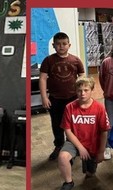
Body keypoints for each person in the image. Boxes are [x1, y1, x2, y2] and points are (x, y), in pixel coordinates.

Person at [55, 77, 110, 190]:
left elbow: (104, 131)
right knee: (63, 157)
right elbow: (67, 130)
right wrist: (80, 147)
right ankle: (68, 182)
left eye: (86, 90)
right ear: (76, 91)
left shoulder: (99, 108)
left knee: (90, 174)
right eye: (79, 90)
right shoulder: (69, 107)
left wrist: (101, 152)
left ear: (92, 91)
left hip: (92, 142)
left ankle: (89, 166)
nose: (82, 93)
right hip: (74, 141)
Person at [39, 32, 85, 161]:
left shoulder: (76, 60)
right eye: (58, 44)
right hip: (55, 99)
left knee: (74, 123)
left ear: (69, 45)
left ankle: (74, 146)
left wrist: (81, 94)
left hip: (73, 98)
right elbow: (42, 78)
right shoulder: (48, 60)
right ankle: (59, 146)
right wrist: (44, 97)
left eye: (64, 44)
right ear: (53, 45)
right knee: (57, 124)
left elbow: (82, 76)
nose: (61, 46)